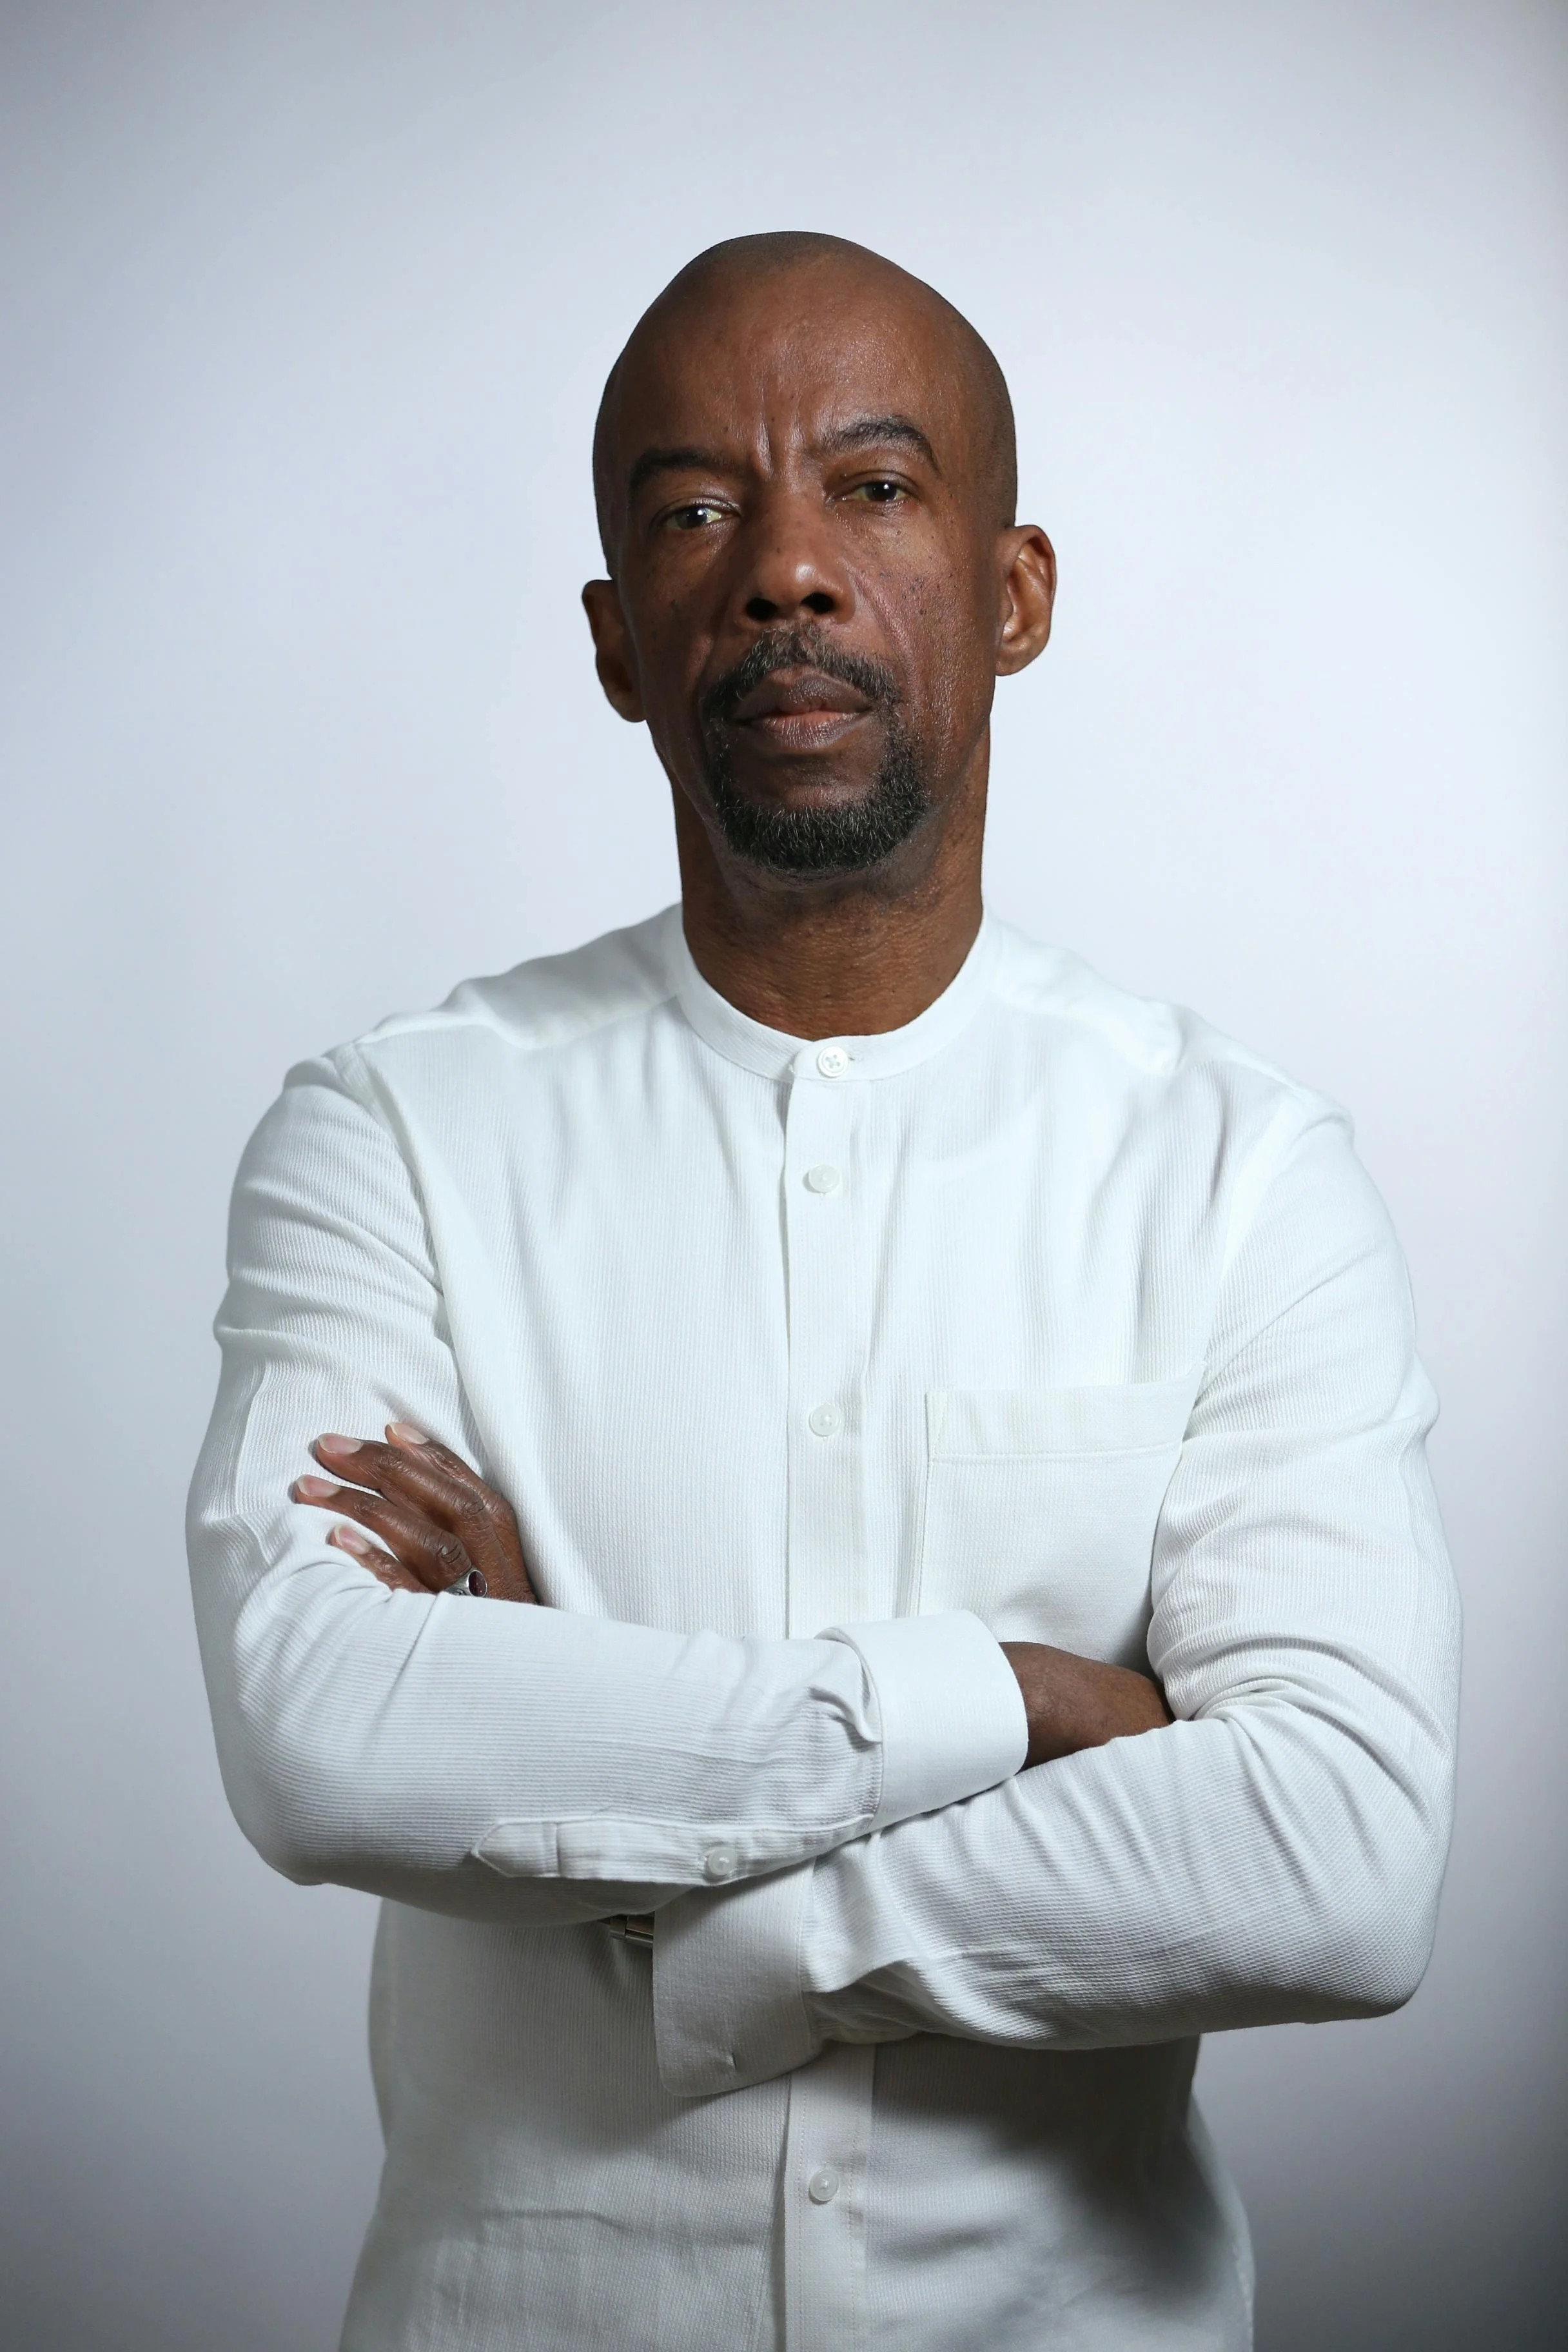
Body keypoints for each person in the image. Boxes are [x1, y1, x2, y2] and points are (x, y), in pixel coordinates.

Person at [188, 232, 1460, 2351]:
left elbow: (1338, 1856)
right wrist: (1020, 1707)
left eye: (872, 487)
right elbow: (323, 1736)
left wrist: (637, 1841)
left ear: (1017, 587)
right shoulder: (391, 1135)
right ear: (615, 640)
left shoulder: (1239, 1173)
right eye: (697, 509)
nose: (782, 567)